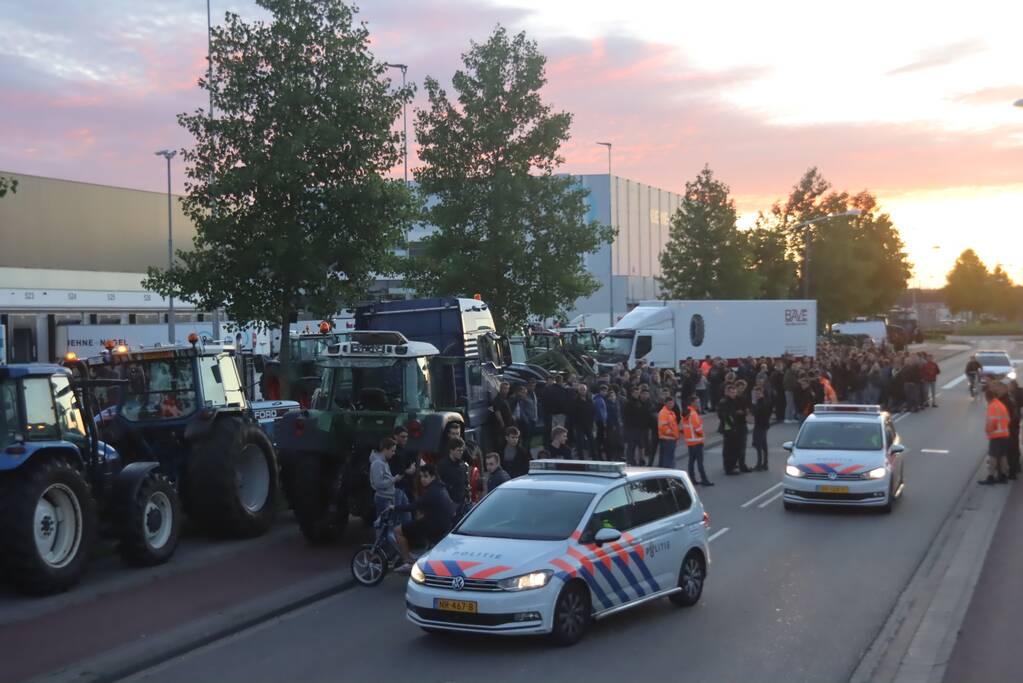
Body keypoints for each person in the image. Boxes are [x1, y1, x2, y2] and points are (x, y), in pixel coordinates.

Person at [392, 464, 456, 571]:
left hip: (434, 525)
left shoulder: (431, 491)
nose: (422, 479)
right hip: (444, 524)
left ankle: (408, 561)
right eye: (421, 476)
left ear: (433, 477)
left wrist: (394, 507)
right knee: (417, 520)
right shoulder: (441, 487)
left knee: (397, 531)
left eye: (426, 476)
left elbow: (414, 506)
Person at [370, 437, 416, 521]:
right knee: (385, 524)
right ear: (385, 449)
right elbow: (378, 484)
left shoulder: (384, 462)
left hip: (389, 496)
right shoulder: (377, 464)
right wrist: (394, 479)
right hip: (383, 498)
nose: (394, 453)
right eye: (392, 451)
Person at [979, 387, 1011, 485]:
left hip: (996, 436)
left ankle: (990, 477)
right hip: (1005, 434)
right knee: (1003, 456)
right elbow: (1008, 419)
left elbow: (992, 422)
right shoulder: (1001, 405)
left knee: (993, 457)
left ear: (987, 398)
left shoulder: (992, 406)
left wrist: (988, 431)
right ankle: (1003, 477)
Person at [681, 395, 712, 486]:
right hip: (697, 441)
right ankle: (704, 479)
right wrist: (702, 435)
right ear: (692, 403)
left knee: (691, 461)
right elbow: (697, 428)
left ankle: (692, 479)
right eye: (697, 402)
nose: (698, 403)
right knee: (700, 462)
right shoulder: (693, 414)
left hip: (690, 441)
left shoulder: (686, 412)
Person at [437, 437, 471, 514]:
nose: (461, 452)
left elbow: (465, 482)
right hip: (450, 503)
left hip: (463, 502)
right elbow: (440, 485)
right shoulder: (443, 466)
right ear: (451, 450)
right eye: (458, 450)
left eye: (462, 450)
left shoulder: (462, 465)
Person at [569, 383, 597, 459]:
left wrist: (593, 421)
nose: (582, 391)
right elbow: (572, 413)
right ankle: (581, 458)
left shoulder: (589, 400)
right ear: (578, 390)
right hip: (579, 425)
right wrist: (574, 425)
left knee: (592, 441)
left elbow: (593, 411)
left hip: (589, 424)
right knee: (580, 442)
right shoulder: (575, 401)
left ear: (586, 390)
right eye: (581, 389)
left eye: (584, 389)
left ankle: (594, 457)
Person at [751, 386, 772, 471]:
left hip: (760, 426)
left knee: (759, 445)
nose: (757, 395)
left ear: (762, 393)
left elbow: (756, 413)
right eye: (756, 393)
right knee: (763, 445)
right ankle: (765, 463)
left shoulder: (761, 403)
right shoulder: (765, 402)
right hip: (763, 425)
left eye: (758, 393)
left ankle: (760, 464)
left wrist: (753, 406)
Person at [656, 395, 680, 469]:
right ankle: (668, 473)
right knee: (668, 461)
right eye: (669, 403)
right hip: (668, 439)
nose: (671, 405)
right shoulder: (664, 413)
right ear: (665, 403)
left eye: (672, 403)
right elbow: (663, 427)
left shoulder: (670, 412)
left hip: (670, 439)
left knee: (667, 459)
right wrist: (673, 433)